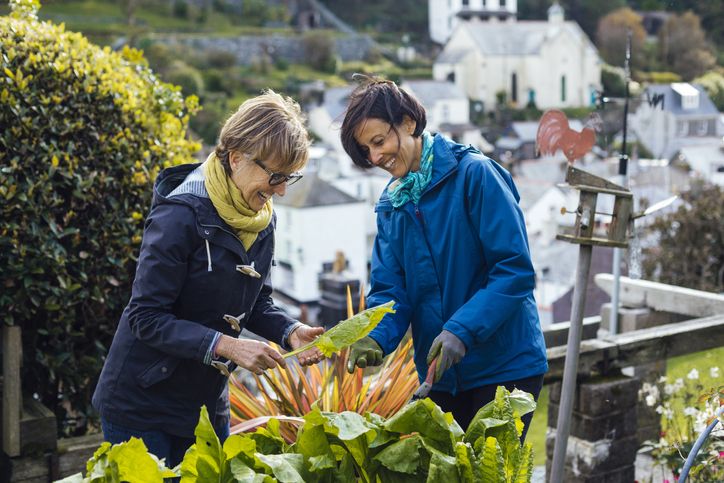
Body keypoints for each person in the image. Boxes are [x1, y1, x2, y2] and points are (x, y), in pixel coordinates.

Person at [92, 91, 324, 467]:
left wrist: (290, 331)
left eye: (290, 178)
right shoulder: (178, 216)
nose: (280, 190)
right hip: (140, 406)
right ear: (236, 158)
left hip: (205, 407)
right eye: (276, 176)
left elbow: (257, 302)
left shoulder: (261, 219)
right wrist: (229, 346)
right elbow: (145, 317)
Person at [342, 77, 548, 437]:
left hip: (505, 367)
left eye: (379, 141)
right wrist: (376, 336)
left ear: (408, 122)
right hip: (440, 375)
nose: (375, 158)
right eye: (367, 151)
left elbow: (514, 271)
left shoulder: (475, 175)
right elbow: (391, 289)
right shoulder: (392, 205)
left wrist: (462, 330)